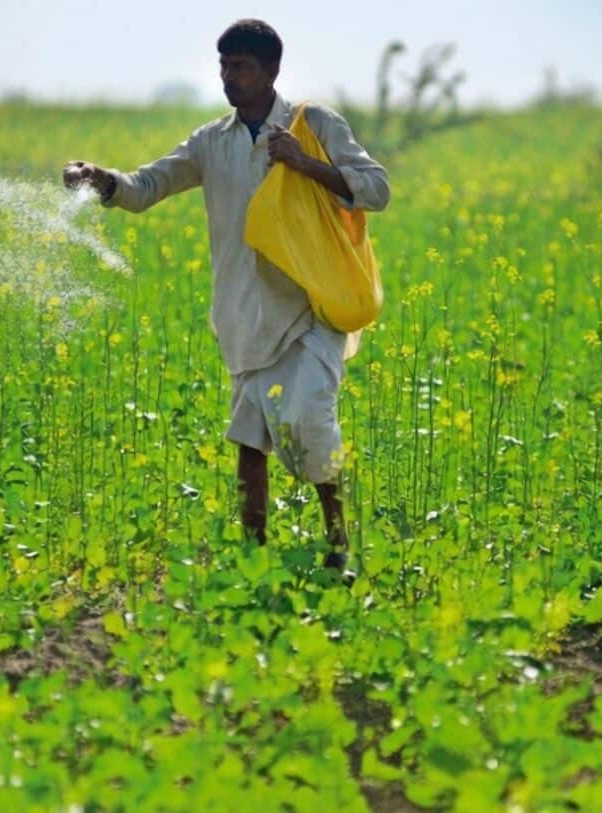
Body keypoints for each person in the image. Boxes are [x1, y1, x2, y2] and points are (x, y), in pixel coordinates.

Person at [63, 18, 390, 573]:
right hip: (243, 314)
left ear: (270, 71)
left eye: (239, 66)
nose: (227, 77)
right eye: (223, 66)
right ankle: (252, 559)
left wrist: (304, 163)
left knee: (311, 421)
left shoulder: (314, 125)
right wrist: (102, 180)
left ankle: (340, 547)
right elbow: (149, 186)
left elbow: (376, 190)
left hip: (311, 310)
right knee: (250, 440)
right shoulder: (210, 142)